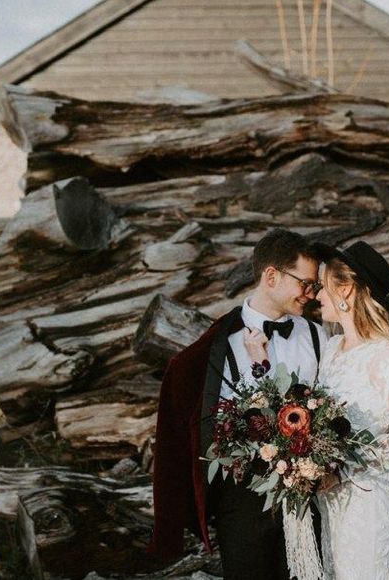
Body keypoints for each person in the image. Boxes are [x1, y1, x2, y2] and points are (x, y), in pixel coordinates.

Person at [147, 228, 327, 580]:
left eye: (314, 286)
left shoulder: (317, 337)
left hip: (307, 497)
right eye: (305, 283)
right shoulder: (219, 344)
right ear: (272, 276)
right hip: (242, 500)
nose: (311, 294)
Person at [313, 240, 389, 580]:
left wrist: (343, 468)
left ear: (344, 289)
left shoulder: (384, 355)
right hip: (332, 505)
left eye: (322, 287)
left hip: (370, 502)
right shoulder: (330, 350)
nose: (317, 296)